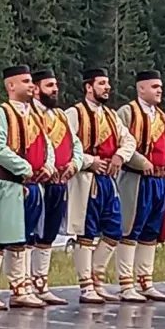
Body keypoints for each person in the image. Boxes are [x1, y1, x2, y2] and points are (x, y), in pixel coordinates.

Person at [0, 65, 56, 311]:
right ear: (10, 85)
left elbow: (48, 146)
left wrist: (48, 166)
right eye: (25, 81)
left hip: (32, 187)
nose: (31, 85)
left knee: (22, 239)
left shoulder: (34, 116)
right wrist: (25, 167)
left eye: (31, 81)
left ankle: (20, 288)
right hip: (8, 185)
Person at [65, 67, 137, 304]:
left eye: (107, 84)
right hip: (86, 179)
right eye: (102, 83)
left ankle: (96, 278)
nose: (107, 88)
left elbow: (129, 140)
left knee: (114, 230)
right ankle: (86, 285)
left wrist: (120, 156)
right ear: (89, 87)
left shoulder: (111, 115)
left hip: (108, 180)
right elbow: (67, 145)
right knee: (86, 232)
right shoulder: (74, 114)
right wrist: (90, 161)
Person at [116, 71, 165, 302]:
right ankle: (126, 283)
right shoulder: (128, 112)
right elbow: (122, 143)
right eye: (154, 86)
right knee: (131, 228)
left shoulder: (161, 116)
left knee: (151, 231)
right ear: (141, 89)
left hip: (159, 180)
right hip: (136, 179)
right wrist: (141, 162)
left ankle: (145, 281)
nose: (159, 90)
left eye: (160, 86)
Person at [31, 69, 84, 306]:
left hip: (60, 183)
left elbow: (76, 144)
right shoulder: (30, 114)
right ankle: (24, 285)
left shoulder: (61, 115)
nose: (55, 90)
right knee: (31, 235)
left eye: (55, 85)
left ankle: (40, 284)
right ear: (35, 89)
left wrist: (75, 163)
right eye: (49, 85)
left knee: (48, 236)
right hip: (38, 183)